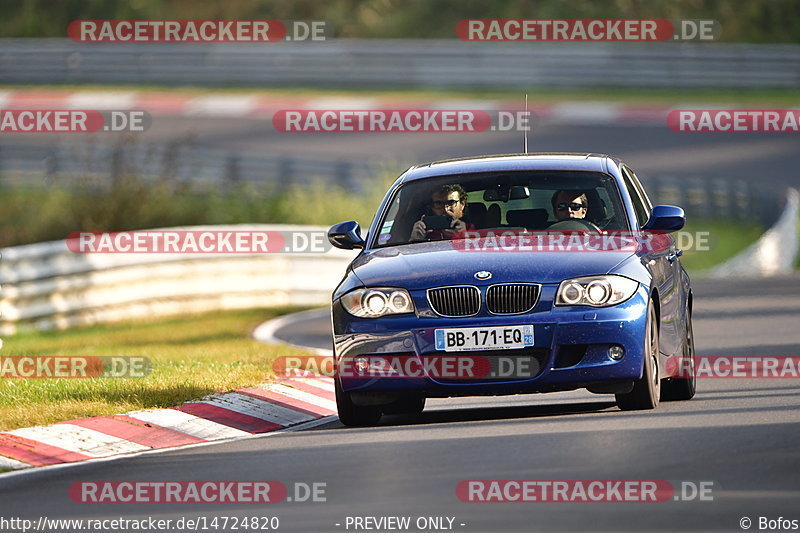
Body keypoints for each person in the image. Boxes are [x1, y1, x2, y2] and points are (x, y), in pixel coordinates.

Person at [410, 184, 475, 241]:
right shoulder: (426, 231)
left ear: (462, 205)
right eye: (438, 204)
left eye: (451, 203)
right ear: (432, 207)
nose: (445, 210)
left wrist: (464, 237)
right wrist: (415, 240)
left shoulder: (472, 230)